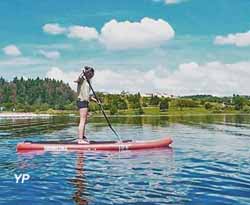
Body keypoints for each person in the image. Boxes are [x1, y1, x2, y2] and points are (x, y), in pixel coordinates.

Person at [75, 66, 97, 144]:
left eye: (92, 75)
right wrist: (83, 72)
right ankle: (80, 139)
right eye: (90, 74)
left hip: (85, 101)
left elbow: (88, 95)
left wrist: (95, 100)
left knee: (85, 121)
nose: (91, 76)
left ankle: (83, 137)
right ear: (87, 73)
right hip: (81, 101)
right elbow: (77, 80)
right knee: (82, 120)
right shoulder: (82, 80)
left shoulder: (88, 82)